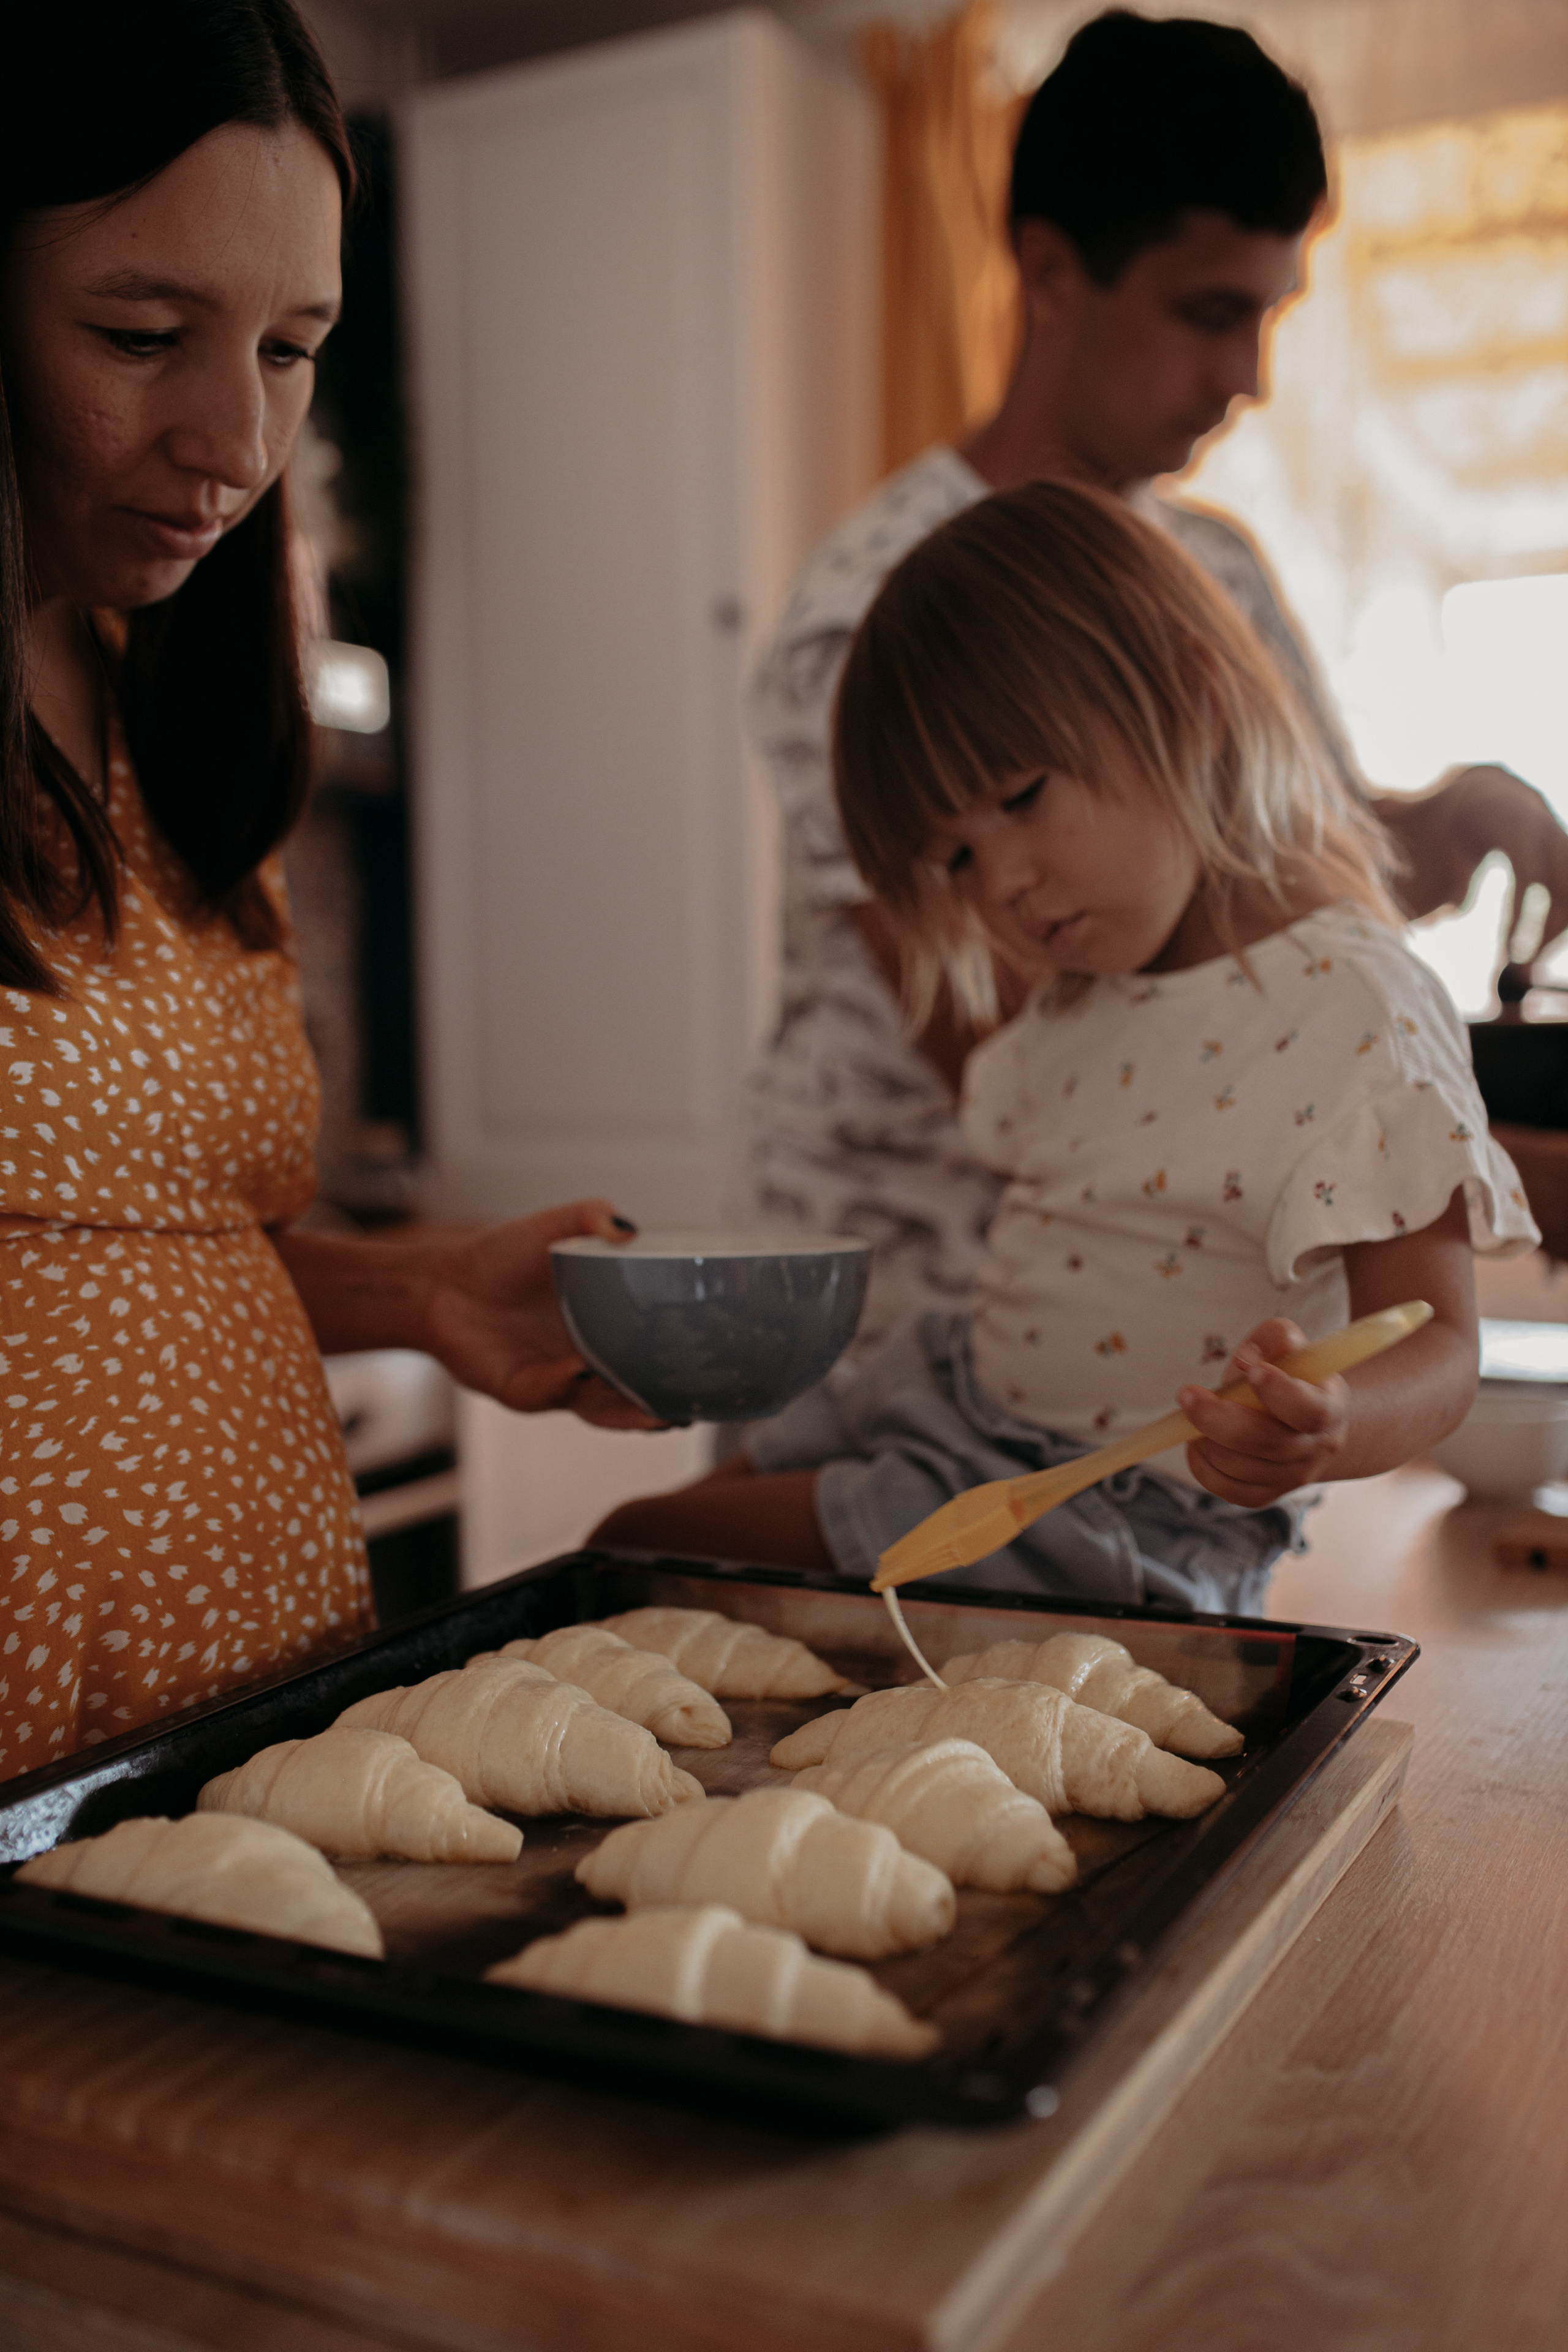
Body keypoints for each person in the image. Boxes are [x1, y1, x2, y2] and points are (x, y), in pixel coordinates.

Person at [0, 1, 645, 1783]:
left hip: (256, 1708)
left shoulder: (177, 733)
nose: (232, 435)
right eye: (141, 332)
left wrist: (429, 1290)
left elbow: (162, 1240)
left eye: (294, 351)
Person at [740, 9, 1568, 1351]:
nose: (1246, 379)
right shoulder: (874, 620)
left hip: (1162, 1345)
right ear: (1049, 271)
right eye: (1208, 314)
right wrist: (1486, 1165)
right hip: (909, 1333)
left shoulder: (1212, 571)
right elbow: (1075, 1049)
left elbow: (1273, 873)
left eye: (1267, 316)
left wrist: (1447, 823)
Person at [595, 484, 1537, 1610]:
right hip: (961, 1408)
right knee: (644, 1550)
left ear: (1190, 697)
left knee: (635, 1554)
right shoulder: (1083, 990)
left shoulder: (1357, 1004)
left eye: (1023, 798)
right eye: (952, 861)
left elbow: (1439, 1351)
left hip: (1114, 1508)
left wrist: (1329, 1429)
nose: (1000, 882)